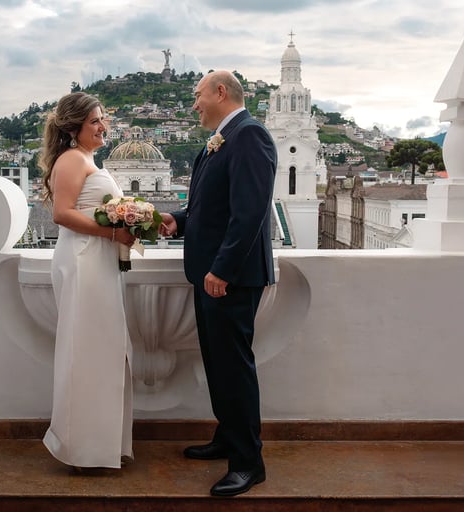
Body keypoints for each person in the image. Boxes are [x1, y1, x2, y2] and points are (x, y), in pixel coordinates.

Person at [160, 71, 277, 497]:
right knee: (218, 364)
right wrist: (182, 218)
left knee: (234, 368)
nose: (195, 105)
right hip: (210, 273)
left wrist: (223, 270)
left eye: (198, 96)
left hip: (230, 278)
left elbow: (249, 213)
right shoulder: (225, 138)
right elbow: (213, 203)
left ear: (221, 93)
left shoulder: (249, 136)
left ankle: (249, 463)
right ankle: (228, 437)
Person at [40, 92, 136, 470]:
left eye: (103, 119)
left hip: (98, 262)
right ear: (74, 126)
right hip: (82, 262)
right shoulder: (70, 160)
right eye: (95, 121)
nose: (103, 126)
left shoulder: (87, 160)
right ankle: (81, 448)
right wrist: (114, 234)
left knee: (104, 349)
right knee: (86, 351)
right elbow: (62, 215)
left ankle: (102, 445)